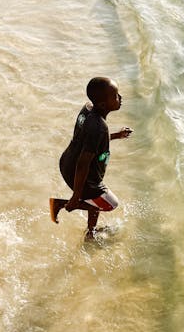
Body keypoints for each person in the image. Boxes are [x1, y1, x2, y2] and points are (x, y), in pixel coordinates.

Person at [49, 77, 132, 239]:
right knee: (110, 204)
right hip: (81, 173)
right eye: (115, 96)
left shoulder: (88, 109)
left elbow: (90, 139)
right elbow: (83, 163)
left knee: (96, 200)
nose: (120, 98)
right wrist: (75, 197)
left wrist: (117, 135)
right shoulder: (99, 128)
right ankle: (61, 204)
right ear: (102, 105)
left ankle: (91, 232)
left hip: (67, 162)